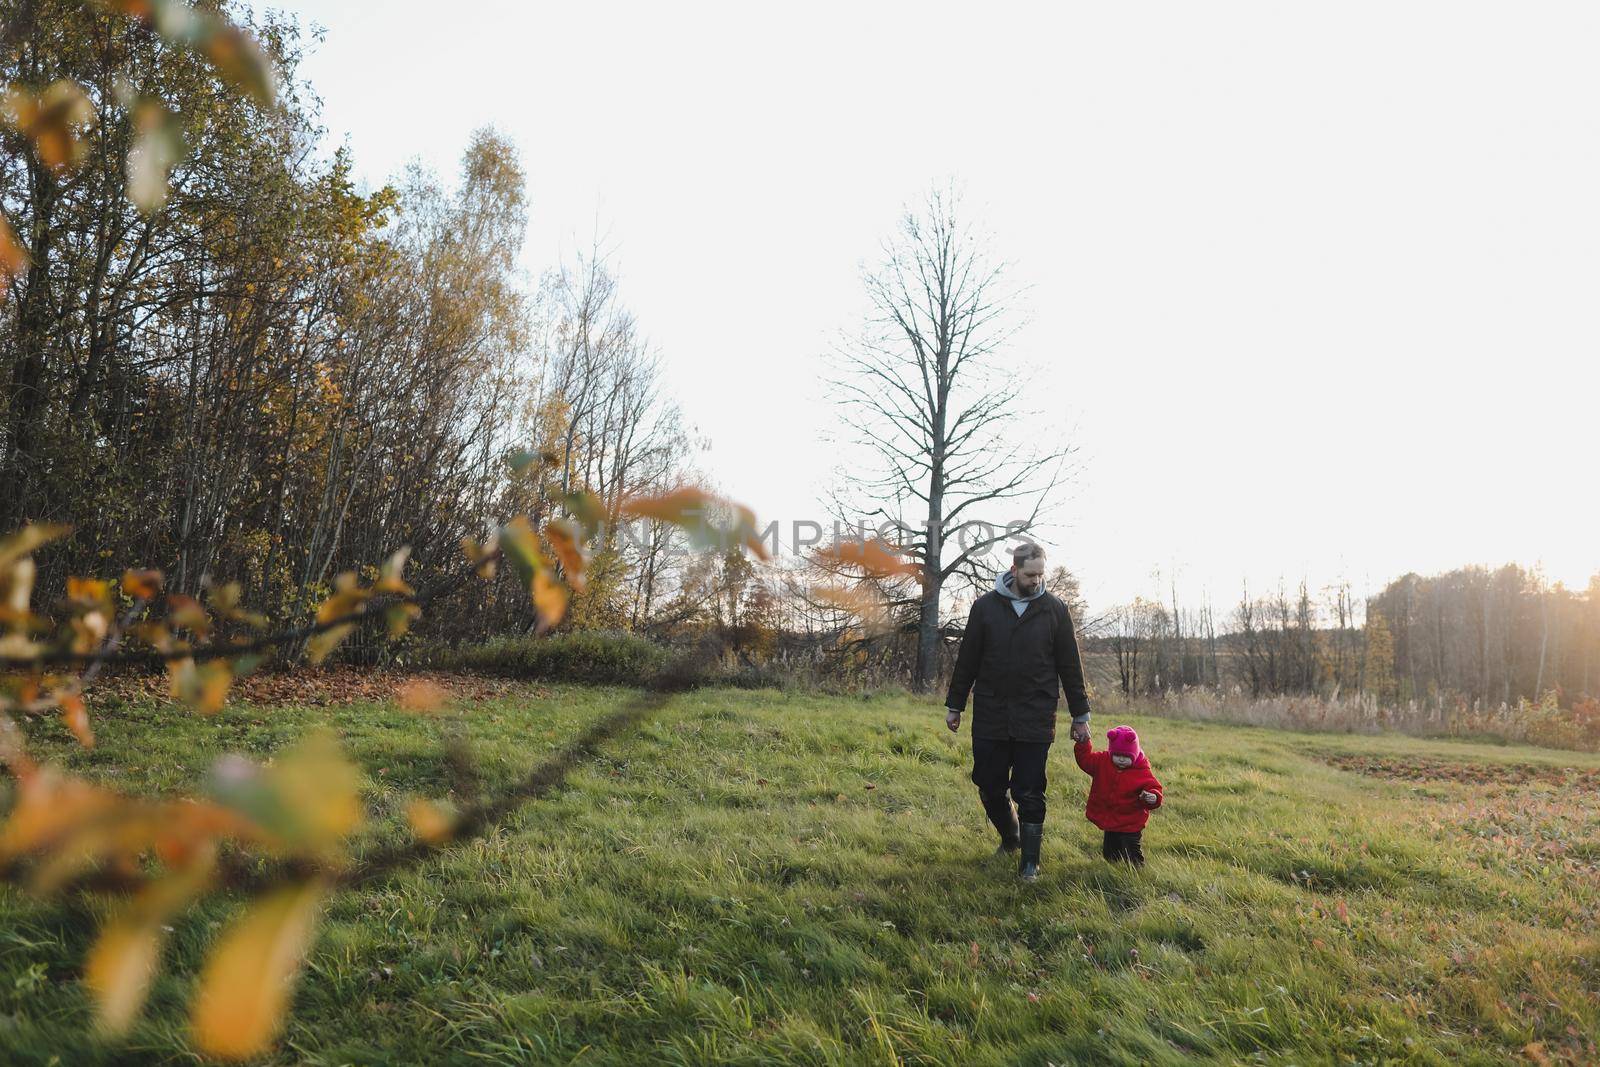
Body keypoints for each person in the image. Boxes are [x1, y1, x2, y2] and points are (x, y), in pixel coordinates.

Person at [943, 541, 1092, 881]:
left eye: (1041, 574)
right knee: (989, 784)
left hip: (1036, 715)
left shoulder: (1056, 610)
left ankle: (1030, 862)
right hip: (991, 712)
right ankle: (1010, 837)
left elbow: (1070, 666)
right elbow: (968, 658)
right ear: (1014, 570)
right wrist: (956, 705)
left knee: (1030, 789)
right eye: (1030, 574)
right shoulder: (985, 608)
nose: (1037, 580)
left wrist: (1080, 716)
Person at [1073, 724, 1163, 866]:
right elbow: (1085, 760)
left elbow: (1153, 787)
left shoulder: (1141, 769)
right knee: (1110, 854)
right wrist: (1083, 743)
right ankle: (1113, 869)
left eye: (1126, 757)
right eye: (1117, 755)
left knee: (1132, 853)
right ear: (1111, 752)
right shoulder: (1103, 761)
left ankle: (1136, 873)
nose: (1121, 759)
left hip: (1131, 822)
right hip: (1111, 821)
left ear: (1135, 753)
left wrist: (1153, 796)